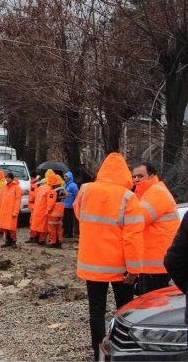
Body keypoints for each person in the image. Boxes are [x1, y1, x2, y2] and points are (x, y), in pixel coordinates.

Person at [73, 152, 144, 361]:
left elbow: (79, 215)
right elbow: (132, 237)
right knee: (125, 312)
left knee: (96, 312)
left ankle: (98, 353)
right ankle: (121, 351)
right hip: (120, 267)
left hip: (92, 264)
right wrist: (134, 269)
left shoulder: (85, 190)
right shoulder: (128, 198)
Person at [133, 162, 179, 294]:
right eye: (134, 176)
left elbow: (138, 219)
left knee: (154, 305)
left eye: (140, 176)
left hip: (156, 264)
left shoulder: (156, 193)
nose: (136, 179)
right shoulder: (147, 193)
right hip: (152, 263)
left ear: (152, 176)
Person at [0, 172, 23, 248]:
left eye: (8, 177)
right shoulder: (4, 188)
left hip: (12, 211)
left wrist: (16, 211)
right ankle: (7, 241)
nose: (7, 179)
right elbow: (0, 200)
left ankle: (13, 241)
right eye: (6, 177)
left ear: (12, 178)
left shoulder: (17, 188)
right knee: (6, 227)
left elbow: (18, 200)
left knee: (12, 227)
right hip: (4, 211)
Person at [28, 170, 53, 245]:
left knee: (37, 223)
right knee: (42, 224)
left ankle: (35, 238)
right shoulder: (46, 187)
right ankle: (40, 239)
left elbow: (33, 196)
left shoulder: (40, 186)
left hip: (37, 207)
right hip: (41, 207)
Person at [46, 174, 67, 249]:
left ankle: (53, 242)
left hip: (53, 213)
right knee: (59, 228)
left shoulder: (53, 191)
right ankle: (59, 242)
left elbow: (51, 203)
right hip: (61, 212)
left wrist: (48, 211)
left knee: (52, 228)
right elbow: (66, 195)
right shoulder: (62, 189)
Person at [63, 171, 79, 238]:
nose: (65, 177)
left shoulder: (73, 185)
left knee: (69, 219)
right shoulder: (65, 184)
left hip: (70, 205)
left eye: (66, 176)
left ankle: (69, 233)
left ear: (70, 177)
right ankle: (65, 232)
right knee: (65, 220)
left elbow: (76, 195)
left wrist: (74, 204)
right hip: (64, 205)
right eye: (64, 176)